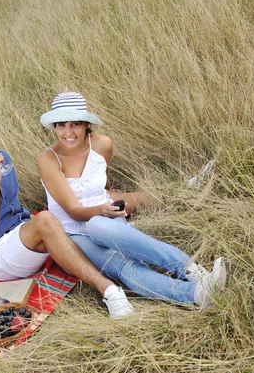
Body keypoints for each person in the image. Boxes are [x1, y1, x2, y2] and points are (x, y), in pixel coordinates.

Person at [0, 107, 134, 319]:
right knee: (46, 220)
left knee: (66, 220)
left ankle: (127, 259)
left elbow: (14, 206)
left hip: (21, 234)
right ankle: (110, 291)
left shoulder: (2, 156)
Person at [37, 92, 228, 308]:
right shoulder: (48, 159)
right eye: (61, 125)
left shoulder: (102, 145)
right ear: (54, 126)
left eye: (75, 124)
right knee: (122, 264)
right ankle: (196, 294)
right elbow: (73, 210)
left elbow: (100, 181)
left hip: (105, 220)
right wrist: (103, 208)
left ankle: (188, 268)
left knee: (99, 226)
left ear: (86, 125)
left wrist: (109, 199)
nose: (68, 132)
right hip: (73, 231)